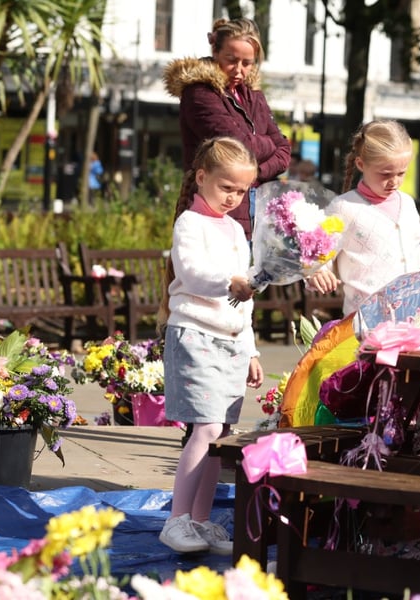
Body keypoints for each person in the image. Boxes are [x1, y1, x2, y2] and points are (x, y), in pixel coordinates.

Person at [156, 137, 264, 554]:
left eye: (241, 192)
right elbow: (193, 273)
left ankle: (199, 522)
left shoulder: (237, 229)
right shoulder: (189, 223)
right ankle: (176, 519)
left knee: (221, 433)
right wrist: (229, 283)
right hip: (196, 336)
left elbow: (246, 302)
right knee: (203, 428)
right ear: (202, 177)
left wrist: (252, 349)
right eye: (226, 188)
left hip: (232, 342)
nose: (233, 198)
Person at [309, 120, 420, 314]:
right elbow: (319, 253)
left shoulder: (407, 204)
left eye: (401, 173)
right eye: (385, 174)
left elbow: (415, 261)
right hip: (364, 322)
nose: (394, 181)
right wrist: (318, 271)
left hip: (410, 318)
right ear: (361, 164)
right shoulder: (344, 207)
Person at [163, 17, 291, 240]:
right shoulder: (200, 93)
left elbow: (284, 151)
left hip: (256, 212)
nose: (239, 70)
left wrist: (254, 173)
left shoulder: (253, 94)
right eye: (231, 60)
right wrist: (268, 144)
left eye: (247, 63)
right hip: (213, 209)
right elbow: (240, 147)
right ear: (215, 51)